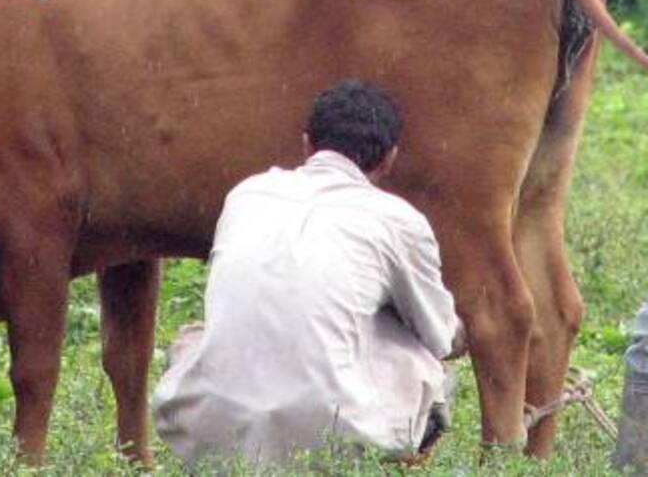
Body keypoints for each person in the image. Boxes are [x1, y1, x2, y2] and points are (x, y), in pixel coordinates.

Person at [152, 80, 465, 468]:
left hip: (210, 431)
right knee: (426, 363)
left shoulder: (247, 193)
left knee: (193, 339)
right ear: (389, 160)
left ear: (306, 145)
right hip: (332, 438)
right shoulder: (399, 220)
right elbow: (439, 336)